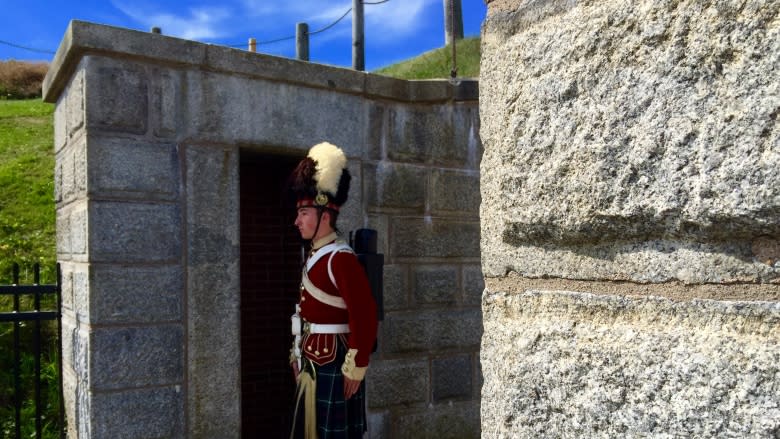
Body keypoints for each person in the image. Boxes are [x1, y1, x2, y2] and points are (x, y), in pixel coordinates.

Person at [288, 142, 378, 439]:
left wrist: (356, 365)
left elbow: (364, 314)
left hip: (336, 361)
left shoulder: (341, 258)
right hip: (312, 358)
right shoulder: (315, 255)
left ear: (324, 215)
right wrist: (297, 350)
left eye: (303, 213)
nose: (297, 220)